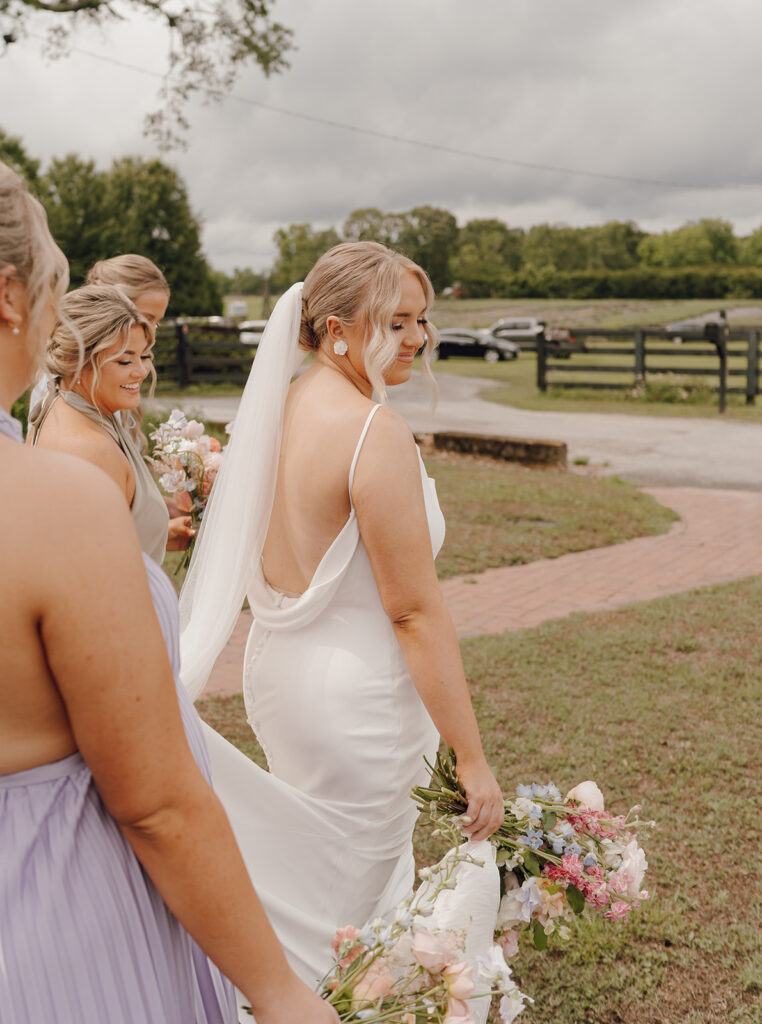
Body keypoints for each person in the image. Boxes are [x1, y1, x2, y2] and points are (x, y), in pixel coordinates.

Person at [0, 161, 337, 1024]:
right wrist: (278, 991)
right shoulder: (53, 501)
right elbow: (155, 803)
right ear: (10, 298)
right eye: (57, 281)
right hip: (53, 923)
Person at [178, 241, 504, 989]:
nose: (417, 340)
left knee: (319, 882)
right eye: (397, 322)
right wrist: (472, 756)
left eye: (422, 322)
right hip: (361, 701)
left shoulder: (285, 406)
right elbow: (415, 613)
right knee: (358, 908)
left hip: (284, 681)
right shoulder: (370, 430)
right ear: (336, 328)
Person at [28, 252, 194, 551]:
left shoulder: (88, 408)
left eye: (144, 356)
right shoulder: (90, 448)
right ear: (77, 359)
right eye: (125, 359)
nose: (143, 371)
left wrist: (157, 527)